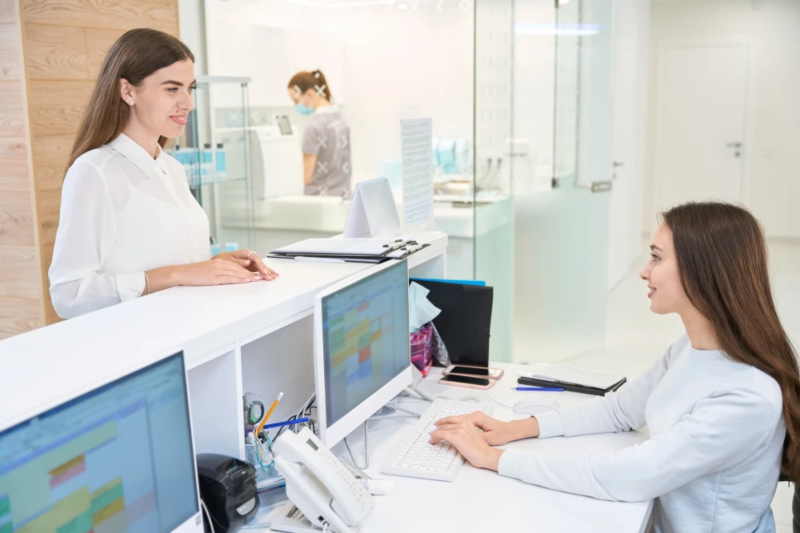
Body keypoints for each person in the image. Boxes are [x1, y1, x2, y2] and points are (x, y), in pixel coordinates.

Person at [431, 202, 799, 533]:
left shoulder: (748, 395)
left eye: (656, 258)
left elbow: (630, 476)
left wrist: (494, 458)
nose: (643, 271)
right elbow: (621, 409)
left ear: (702, 271)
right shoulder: (692, 346)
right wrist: (515, 429)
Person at [49, 28, 278, 319]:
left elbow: (163, 260)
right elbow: (68, 294)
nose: (188, 103)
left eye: (190, 88)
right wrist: (179, 274)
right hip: (138, 347)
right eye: (172, 89)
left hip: (188, 330)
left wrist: (213, 265)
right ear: (128, 91)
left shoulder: (171, 168)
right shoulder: (94, 172)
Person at [287, 70, 351, 197]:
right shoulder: (341, 119)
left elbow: (306, 177)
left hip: (319, 202)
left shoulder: (313, 127)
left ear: (309, 93)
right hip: (343, 197)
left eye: (296, 101)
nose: (295, 106)